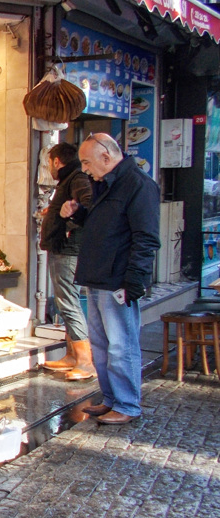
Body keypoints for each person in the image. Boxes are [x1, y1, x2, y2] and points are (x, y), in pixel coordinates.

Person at [60, 133, 160, 425]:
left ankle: (128, 405)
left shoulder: (139, 185)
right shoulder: (104, 183)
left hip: (117, 280)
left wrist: (134, 281)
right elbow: (99, 223)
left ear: (106, 156)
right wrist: (78, 214)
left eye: (87, 162)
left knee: (121, 344)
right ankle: (111, 399)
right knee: (101, 346)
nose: (85, 169)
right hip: (97, 276)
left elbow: (146, 238)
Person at [40, 143, 94, 380]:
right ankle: (72, 355)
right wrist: (52, 214)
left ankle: (85, 361)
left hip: (69, 250)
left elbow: (89, 205)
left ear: (57, 161)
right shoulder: (70, 178)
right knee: (65, 302)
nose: (49, 168)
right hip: (66, 248)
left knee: (68, 302)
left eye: (49, 163)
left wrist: (70, 223)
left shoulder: (77, 177)